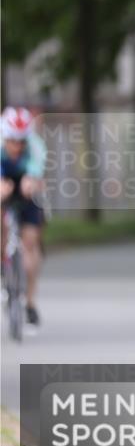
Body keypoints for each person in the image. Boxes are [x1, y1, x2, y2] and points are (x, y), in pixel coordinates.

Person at [1, 107, 48, 327]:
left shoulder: (35, 146)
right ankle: (4, 264)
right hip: (4, 183)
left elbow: (36, 172)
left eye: (22, 141)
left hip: (27, 187)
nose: (17, 146)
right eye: (12, 141)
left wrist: (32, 179)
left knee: (31, 241)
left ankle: (29, 302)